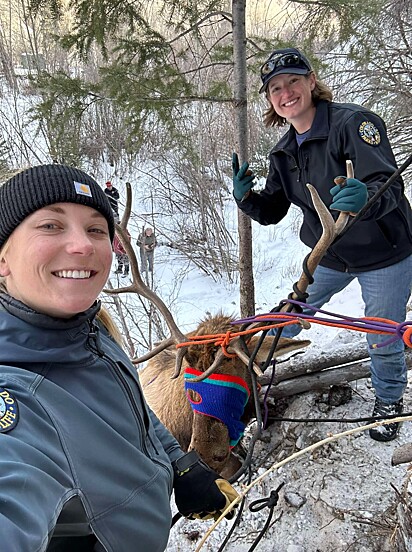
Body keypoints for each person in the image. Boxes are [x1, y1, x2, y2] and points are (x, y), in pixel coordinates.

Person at [0, 164, 238, 551]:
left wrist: (180, 464)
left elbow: (133, 414)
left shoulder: (92, 332)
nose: (83, 245)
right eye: (50, 226)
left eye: (96, 229)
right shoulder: (13, 392)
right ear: (2, 259)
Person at [232, 47, 412, 442]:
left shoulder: (354, 124)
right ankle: (253, 382)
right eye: (275, 88)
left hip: (384, 252)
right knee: (289, 314)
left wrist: (366, 196)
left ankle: (389, 402)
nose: (286, 92)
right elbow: (273, 210)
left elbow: (389, 184)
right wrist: (246, 198)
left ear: (312, 82)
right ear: (271, 100)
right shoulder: (283, 151)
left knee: (382, 332)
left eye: (293, 81)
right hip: (330, 254)